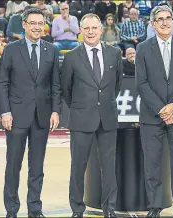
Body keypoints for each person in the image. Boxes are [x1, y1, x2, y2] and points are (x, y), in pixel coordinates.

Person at [0, 8, 61, 218]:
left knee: (37, 167)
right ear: (23, 25)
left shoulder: (51, 50)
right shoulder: (11, 49)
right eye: (32, 23)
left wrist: (55, 110)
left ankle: (35, 208)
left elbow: (55, 85)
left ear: (45, 26)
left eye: (40, 23)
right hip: (15, 117)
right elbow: (2, 83)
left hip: (42, 116)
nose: (36, 27)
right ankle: (12, 210)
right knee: (13, 165)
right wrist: (5, 111)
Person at [135, 5, 173, 218]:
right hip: (152, 116)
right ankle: (155, 206)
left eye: (168, 18)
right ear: (153, 23)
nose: (164, 22)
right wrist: (162, 109)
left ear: (172, 20)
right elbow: (141, 84)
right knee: (152, 163)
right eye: (159, 19)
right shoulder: (143, 48)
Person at [61, 13, 123, 218]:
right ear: (80, 30)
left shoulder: (114, 53)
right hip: (81, 119)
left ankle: (109, 208)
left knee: (109, 167)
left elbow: (116, 87)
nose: (90, 32)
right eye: (86, 28)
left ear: (101, 29)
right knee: (78, 167)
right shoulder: (71, 57)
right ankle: (77, 209)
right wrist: (82, 107)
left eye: (94, 28)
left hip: (107, 119)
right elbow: (66, 91)